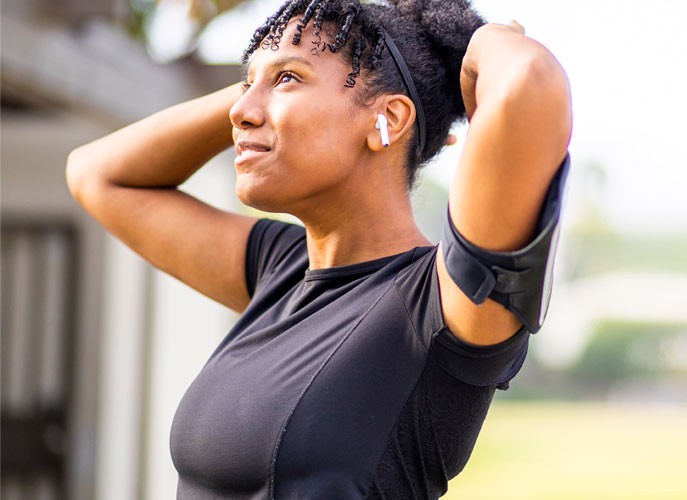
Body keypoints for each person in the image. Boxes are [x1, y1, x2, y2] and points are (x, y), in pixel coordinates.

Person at [63, 0, 571, 496]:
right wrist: (263, 85)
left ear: (389, 120)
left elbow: (529, 83)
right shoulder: (278, 271)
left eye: (289, 79)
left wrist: (475, 38)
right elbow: (96, 174)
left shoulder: (440, 304)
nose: (239, 112)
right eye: (246, 84)